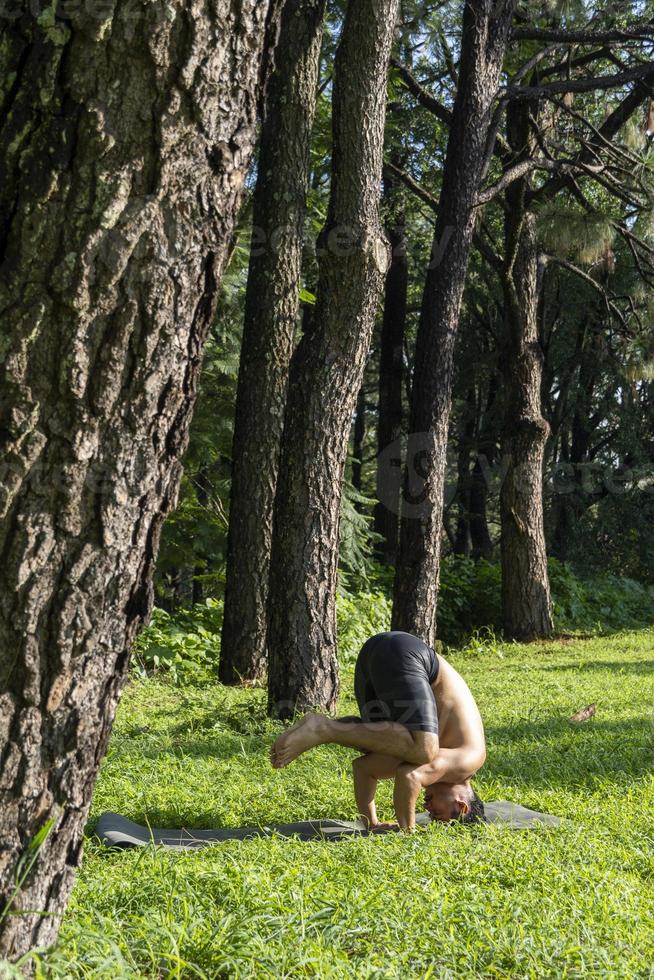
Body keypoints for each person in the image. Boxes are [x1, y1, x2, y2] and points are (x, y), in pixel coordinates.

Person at [270, 630, 486, 830]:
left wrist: (371, 823)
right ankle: (322, 728)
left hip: (374, 655)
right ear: (461, 805)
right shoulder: (469, 760)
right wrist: (407, 833)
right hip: (408, 654)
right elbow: (410, 775)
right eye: (438, 813)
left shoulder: (433, 757)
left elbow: (365, 769)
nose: (428, 809)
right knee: (423, 749)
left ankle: (319, 725)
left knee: (384, 749)